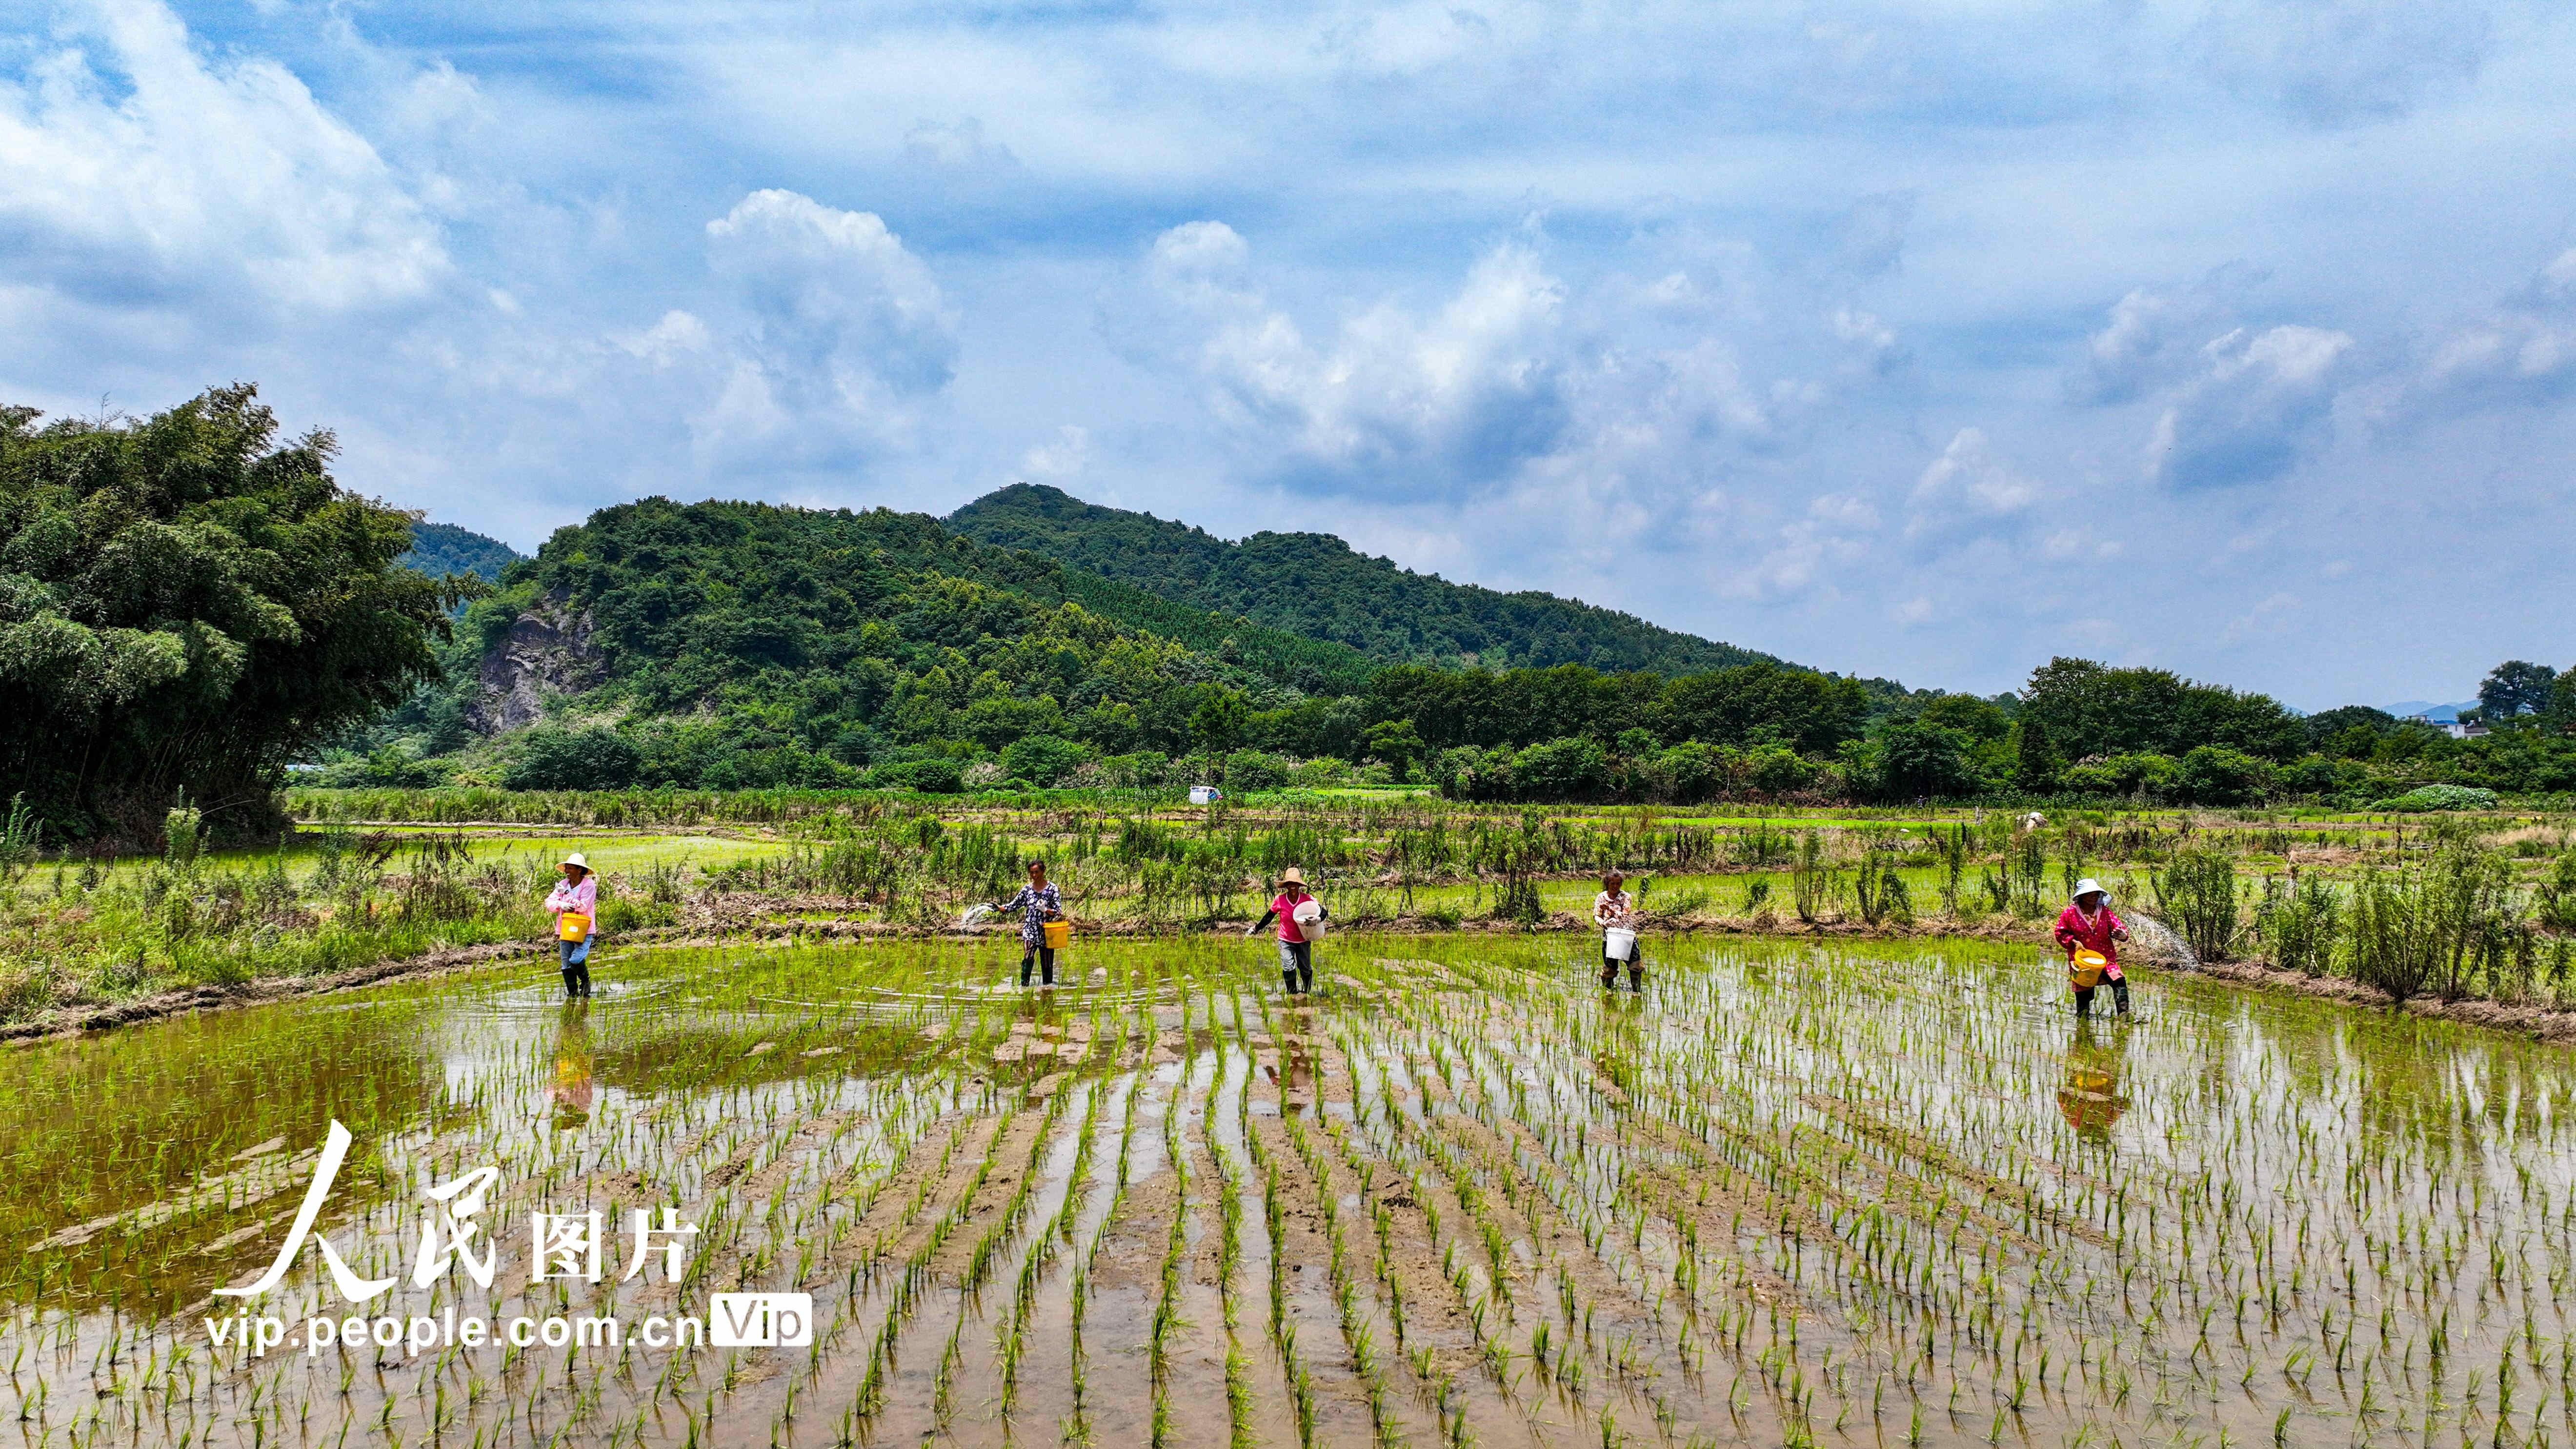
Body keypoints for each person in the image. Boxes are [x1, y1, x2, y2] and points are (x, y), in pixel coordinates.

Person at [2053, 876, 2131, 1017]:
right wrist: (2074, 942)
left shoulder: (2105, 912)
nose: (2093, 897)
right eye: (2090, 895)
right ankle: (2083, 1025)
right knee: (2084, 993)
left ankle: (2124, 1016)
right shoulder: (2070, 913)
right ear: (2081, 896)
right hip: (2083, 960)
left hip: (2105, 958)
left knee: (2119, 980)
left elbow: (2119, 927)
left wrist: (2122, 935)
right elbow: (2060, 932)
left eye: (2096, 895)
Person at [1247, 866, 1327, 995]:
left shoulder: (1307, 899)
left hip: (1303, 939)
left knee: (1305, 969)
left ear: (1299, 885)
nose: (1293, 886)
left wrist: (1318, 919)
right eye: (1290, 883)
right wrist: (1256, 929)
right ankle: (1292, 993)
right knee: (1289, 967)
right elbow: (1269, 917)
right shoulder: (1280, 900)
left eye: (1295, 883)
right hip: (1285, 940)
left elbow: (1323, 911)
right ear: (1287, 886)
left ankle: (1307, 992)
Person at [989, 860, 1065, 988]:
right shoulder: (1027, 890)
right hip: (1030, 930)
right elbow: (1015, 905)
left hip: (1046, 931)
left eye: (1037, 872)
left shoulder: (1052, 889)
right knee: (1028, 957)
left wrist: (1046, 910)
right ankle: (1024, 987)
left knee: (1047, 963)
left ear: (1043, 871)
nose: (1034, 875)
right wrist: (1001, 908)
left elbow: (1059, 912)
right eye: (1031, 873)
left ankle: (1047, 989)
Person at [544, 852, 598, 999]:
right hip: (566, 929)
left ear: (580, 870)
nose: (567, 871)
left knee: (576, 959)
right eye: (566, 868)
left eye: (571, 868)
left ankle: (585, 980)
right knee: (566, 964)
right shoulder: (563, 884)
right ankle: (572, 995)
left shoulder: (589, 886)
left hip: (583, 929)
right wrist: (560, 904)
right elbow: (549, 903)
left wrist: (567, 895)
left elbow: (582, 907)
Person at [1592, 870, 1643, 992]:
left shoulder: (1626, 897)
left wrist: (1609, 908)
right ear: (1607, 884)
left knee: (1635, 965)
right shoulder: (1601, 898)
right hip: (1610, 937)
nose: (1615, 886)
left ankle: (1636, 992)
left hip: (1626, 936)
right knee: (1609, 969)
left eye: (1618, 884)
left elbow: (1625, 915)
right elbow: (1596, 915)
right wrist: (1603, 923)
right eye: (1612, 884)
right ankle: (1608, 993)